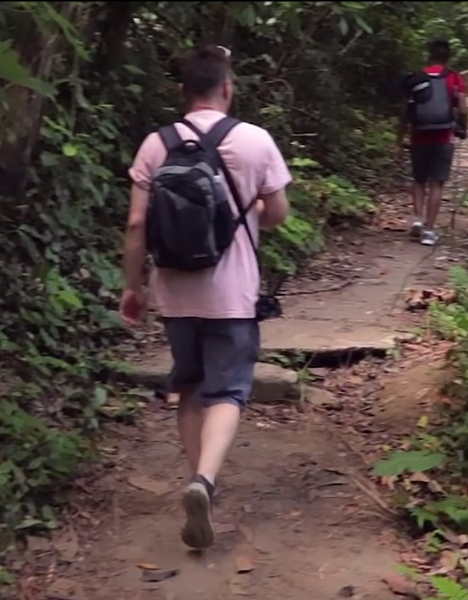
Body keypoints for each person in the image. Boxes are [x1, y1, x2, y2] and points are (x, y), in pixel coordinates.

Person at [120, 45, 292, 550]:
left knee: (190, 385)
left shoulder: (157, 144)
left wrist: (133, 286)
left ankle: (198, 479)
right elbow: (278, 214)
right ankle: (205, 483)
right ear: (228, 87)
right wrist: (250, 203)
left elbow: (135, 223)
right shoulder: (255, 140)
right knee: (231, 391)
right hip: (233, 293)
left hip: (174, 291)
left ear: (182, 92)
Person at [396, 39, 468, 247]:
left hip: (418, 135)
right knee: (437, 183)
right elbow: (462, 108)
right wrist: (462, 126)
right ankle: (429, 230)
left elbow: (405, 112)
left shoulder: (417, 77)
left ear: (429, 55)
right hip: (443, 136)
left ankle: (417, 218)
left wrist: (399, 140)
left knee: (419, 179)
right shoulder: (454, 77)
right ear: (448, 57)